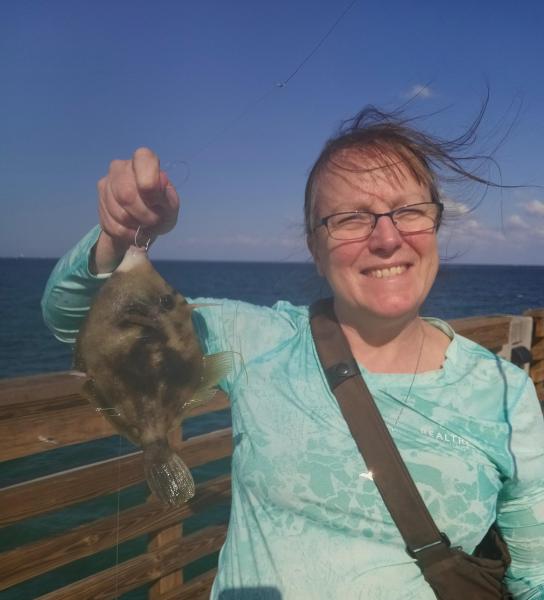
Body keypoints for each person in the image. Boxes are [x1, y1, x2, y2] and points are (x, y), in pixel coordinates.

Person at [42, 108, 544, 599]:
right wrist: (118, 240)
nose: (387, 238)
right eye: (352, 218)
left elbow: (534, 575)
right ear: (315, 247)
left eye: (409, 211)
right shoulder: (261, 339)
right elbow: (78, 324)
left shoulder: (505, 393)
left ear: (436, 225)